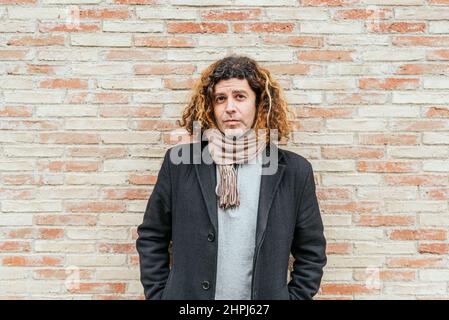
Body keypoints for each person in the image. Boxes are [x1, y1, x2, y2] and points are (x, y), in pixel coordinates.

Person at [136, 55, 327, 300]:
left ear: (259, 103)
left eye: (240, 96)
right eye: (220, 99)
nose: (230, 108)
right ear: (210, 106)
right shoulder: (179, 163)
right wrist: (160, 295)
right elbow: (152, 236)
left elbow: (311, 250)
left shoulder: (294, 171)